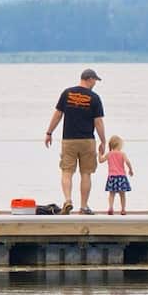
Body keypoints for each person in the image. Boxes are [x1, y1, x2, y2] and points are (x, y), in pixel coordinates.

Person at [43, 68, 107, 215]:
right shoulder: (94, 98)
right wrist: (103, 141)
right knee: (86, 173)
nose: (95, 84)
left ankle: (68, 200)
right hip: (87, 140)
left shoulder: (67, 93)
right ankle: (84, 207)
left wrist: (49, 132)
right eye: (95, 81)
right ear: (89, 79)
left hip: (69, 140)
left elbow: (58, 114)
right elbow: (98, 123)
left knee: (67, 172)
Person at [103, 135, 135, 215]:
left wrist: (99, 154)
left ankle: (110, 207)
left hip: (112, 177)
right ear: (118, 145)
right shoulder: (122, 154)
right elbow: (127, 162)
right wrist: (130, 170)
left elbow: (101, 160)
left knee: (111, 194)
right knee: (122, 194)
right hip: (121, 176)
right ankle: (123, 209)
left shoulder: (109, 154)